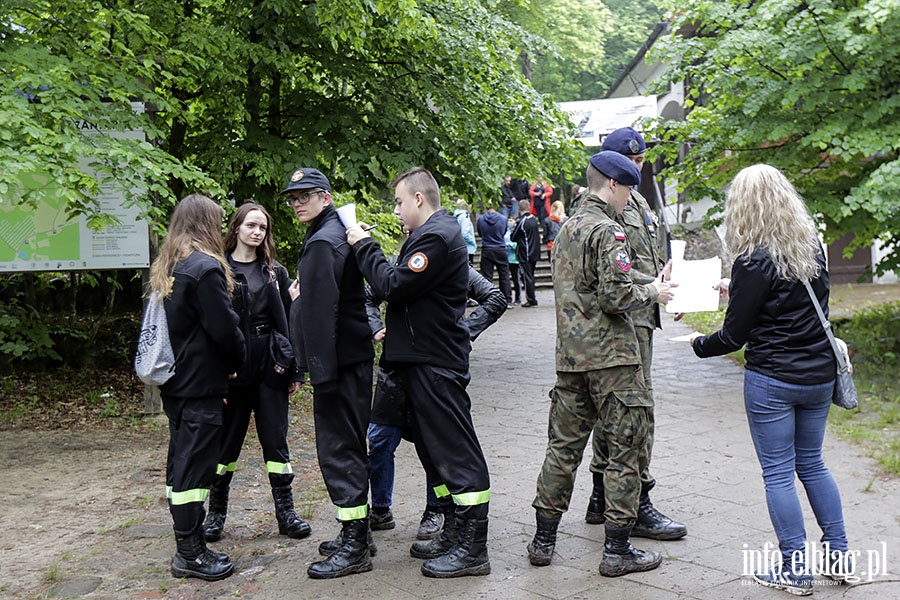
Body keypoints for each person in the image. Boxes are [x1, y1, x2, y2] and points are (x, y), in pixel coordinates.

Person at [690, 164, 852, 596]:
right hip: (818, 375)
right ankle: (840, 557)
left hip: (774, 381)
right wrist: (735, 286)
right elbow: (794, 300)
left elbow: (733, 336)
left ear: (743, 207)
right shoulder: (811, 247)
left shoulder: (753, 259)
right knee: (813, 464)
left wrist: (696, 344)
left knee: (778, 473)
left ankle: (795, 571)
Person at [527, 151, 673, 578]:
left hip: (572, 360)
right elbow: (614, 297)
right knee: (626, 451)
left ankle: (543, 540)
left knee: (562, 451)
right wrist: (653, 294)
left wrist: (644, 282)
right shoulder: (609, 231)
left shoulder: (568, 227)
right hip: (615, 362)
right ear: (612, 184)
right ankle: (617, 550)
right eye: (629, 189)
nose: (630, 198)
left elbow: (588, 289)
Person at [346, 167, 492, 579]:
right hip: (419, 361)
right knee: (434, 450)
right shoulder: (426, 236)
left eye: (398, 201)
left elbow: (393, 285)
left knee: (455, 449)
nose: (395, 209)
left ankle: (473, 546)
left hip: (435, 363)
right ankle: (455, 530)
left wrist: (364, 244)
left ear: (418, 200)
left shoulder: (435, 238)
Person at [584, 127, 687, 541]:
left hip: (641, 314)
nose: (637, 169)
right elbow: (613, 270)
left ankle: (600, 496)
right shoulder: (604, 204)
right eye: (631, 163)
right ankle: (636, 501)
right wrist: (653, 288)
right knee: (634, 413)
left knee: (618, 409)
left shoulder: (639, 198)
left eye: (642, 161)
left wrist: (666, 282)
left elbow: (642, 255)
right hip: (622, 319)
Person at [361, 265, 507, 542]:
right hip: (394, 373)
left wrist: (462, 333)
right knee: (379, 440)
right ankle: (380, 509)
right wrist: (375, 327)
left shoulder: (454, 266)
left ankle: (435, 510)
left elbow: (496, 298)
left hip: (433, 371)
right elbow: (368, 296)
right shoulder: (395, 265)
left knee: (434, 446)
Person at [282, 167, 376, 580]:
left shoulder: (323, 241)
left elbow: (321, 314)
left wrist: (316, 372)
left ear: (326, 197)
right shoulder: (337, 232)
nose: (298, 202)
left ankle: (355, 545)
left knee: (339, 451)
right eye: (293, 197)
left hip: (336, 364)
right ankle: (359, 533)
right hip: (350, 360)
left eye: (306, 195)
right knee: (352, 446)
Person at [202, 203, 312, 545]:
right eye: (251, 225)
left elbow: (289, 321)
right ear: (236, 228)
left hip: (270, 363)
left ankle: (286, 513)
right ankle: (215, 514)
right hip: (234, 366)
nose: (257, 232)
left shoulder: (273, 272)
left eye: (263, 227)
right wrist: (217, 376)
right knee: (226, 446)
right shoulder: (219, 270)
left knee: (276, 441)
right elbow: (212, 328)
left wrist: (296, 370)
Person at [150, 194, 245, 581]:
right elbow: (224, 329)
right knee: (195, 467)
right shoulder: (204, 269)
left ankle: (187, 544)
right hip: (201, 383)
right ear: (207, 223)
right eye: (219, 221)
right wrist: (236, 362)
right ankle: (190, 552)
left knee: (181, 462)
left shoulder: (170, 265)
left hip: (176, 382)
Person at [476, 202, 513, 305]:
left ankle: (488, 299)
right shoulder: (503, 219)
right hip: (500, 248)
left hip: (487, 248)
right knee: (504, 275)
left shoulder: (481, 219)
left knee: (487, 276)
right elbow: (504, 232)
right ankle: (507, 299)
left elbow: (480, 233)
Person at [509, 199, 540, 307]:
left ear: (519, 208)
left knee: (527, 277)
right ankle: (532, 297)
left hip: (525, 252)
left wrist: (512, 226)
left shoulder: (521, 221)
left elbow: (513, 237)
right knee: (530, 275)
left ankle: (531, 299)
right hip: (535, 251)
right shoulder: (533, 219)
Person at [453, 199, 477, 266]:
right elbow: (465, 233)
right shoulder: (465, 217)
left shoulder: (457, 216)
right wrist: (472, 242)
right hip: (468, 248)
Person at [505, 226, 521, 305]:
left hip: (514, 259)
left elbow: (518, 244)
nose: (510, 222)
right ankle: (508, 297)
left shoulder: (516, 232)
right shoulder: (505, 231)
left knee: (516, 279)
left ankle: (518, 298)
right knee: (506, 279)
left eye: (511, 220)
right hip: (506, 258)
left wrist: (510, 245)